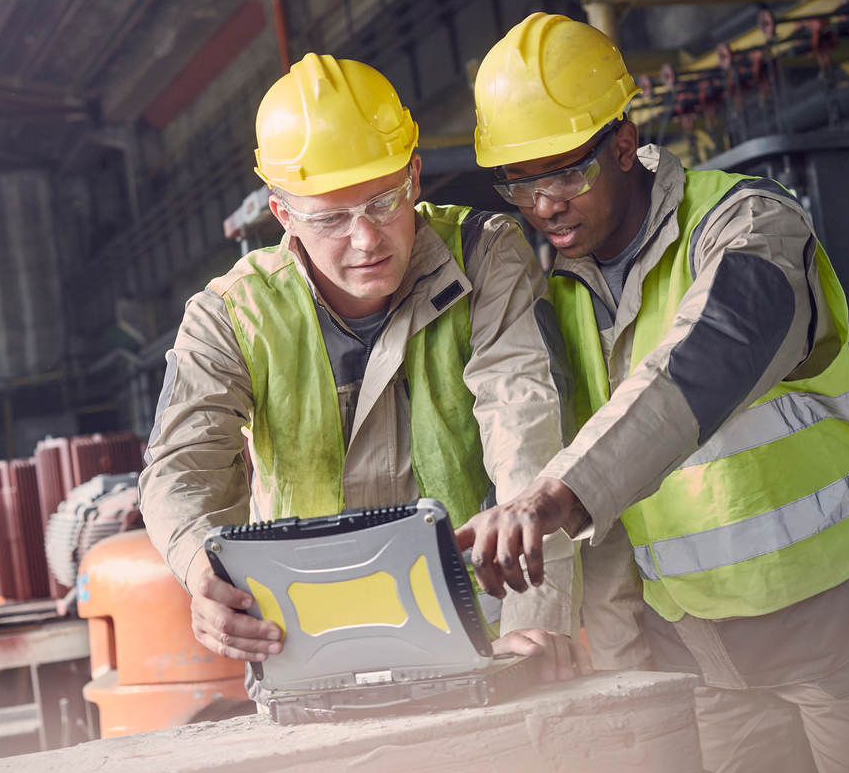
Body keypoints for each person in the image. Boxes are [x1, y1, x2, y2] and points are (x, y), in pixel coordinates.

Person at [458, 11, 849, 773]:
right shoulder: (560, 298)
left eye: (566, 171)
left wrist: (555, 495)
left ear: (625, 144)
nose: (545, 203)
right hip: (708, 665)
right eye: (521, 183)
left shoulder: (746, 223)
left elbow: (707, 355)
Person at [139, 52, 591, 686]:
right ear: (282, 214)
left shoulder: (486, 258)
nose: (366, 239)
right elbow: (180, 465)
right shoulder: (229, 317)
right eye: (329, 218)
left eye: (384, 202)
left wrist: (536, 617)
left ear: (414, 173)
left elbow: (527, 430)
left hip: (487, 643)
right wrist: (199, 570)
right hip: (314, 659)